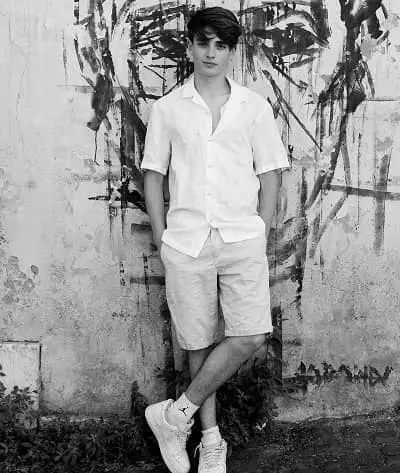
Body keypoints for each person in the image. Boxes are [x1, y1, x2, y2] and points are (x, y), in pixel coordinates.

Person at [140, 6, 290, 473]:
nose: (210, 52)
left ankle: (174, 414)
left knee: (250, 334)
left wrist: (260, 230)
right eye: (202, 42)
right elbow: (153, 175)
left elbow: (270, 174)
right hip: (186, 241)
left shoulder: (253, 106)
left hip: (241, 236)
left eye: (220, 45)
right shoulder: (168, 108)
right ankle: (209, 438)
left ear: (231, 52)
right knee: (198, 341)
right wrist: (164, 237)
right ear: (189, 47)